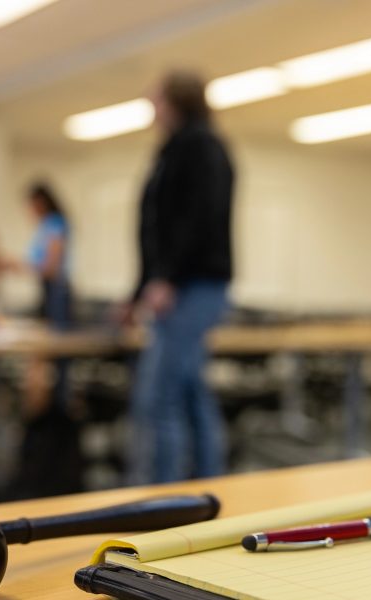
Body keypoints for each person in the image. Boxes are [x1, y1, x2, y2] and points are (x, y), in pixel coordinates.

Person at [125, 70, 234, 484]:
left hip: (194, 286)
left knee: (158, 398)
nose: (150, 105)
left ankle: (160, 500)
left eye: (156, 99)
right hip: (182, 284)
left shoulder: (200, 146)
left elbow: (196, 220)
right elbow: (156, 228)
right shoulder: (177, 148)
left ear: (174, 102)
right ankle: (209, 485)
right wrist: (137, 291)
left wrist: (167, 278)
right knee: (189, 392)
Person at [27, 182, 71, 329]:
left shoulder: (55, 224)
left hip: (56, 289)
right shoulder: (44, 226)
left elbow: (51, 266)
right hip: (46, 287)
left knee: (55, 337)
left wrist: (24, 267)